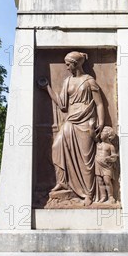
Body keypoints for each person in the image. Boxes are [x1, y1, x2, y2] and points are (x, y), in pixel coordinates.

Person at [39, 51, 104, 206]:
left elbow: (99, 104)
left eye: (68, 64)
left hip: (86, 122)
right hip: (70, 121)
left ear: (76, 63)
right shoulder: (67, 81)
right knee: (57, 147)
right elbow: (62, 105)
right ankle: (62, 182)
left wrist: (100, 123)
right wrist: (47, 87)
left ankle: (89, 194)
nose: (66, 67)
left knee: (86, 161)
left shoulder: (89, 81)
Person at [95, 126, 118, 204]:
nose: (101, 133)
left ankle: (110, 196)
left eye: (103, 132)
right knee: (100, 181)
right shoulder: (98, 144)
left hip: (106, 166)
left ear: (108, 135)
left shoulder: (111, 146)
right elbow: (92, 135)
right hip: (98, 164)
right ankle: (103, 196)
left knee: (107, 181)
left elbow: (114, 157)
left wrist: (109, 158)